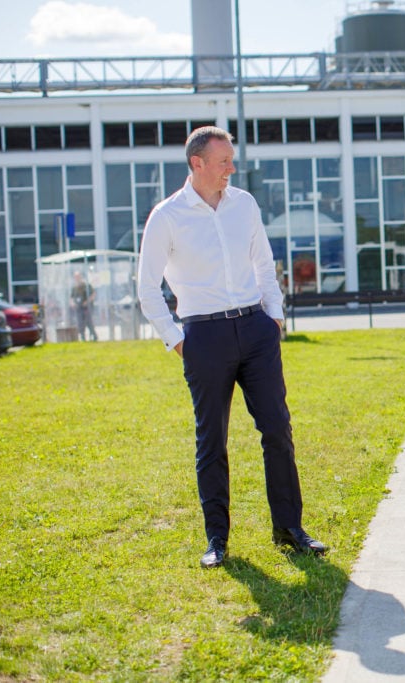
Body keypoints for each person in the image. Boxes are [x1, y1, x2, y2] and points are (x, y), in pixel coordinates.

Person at [137, 126, 326, 569]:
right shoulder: (166, 216)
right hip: (203, 336)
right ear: (197, 164)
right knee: (212, 440)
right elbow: (147, 288)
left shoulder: (244, 204)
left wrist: (274, 316)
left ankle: (290, 529)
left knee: (277, 429)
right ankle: (217, 539)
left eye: (231, 161)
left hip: (255, 329)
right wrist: (178, 339)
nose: (231, 169)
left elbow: (263, 261)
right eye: (223, 162)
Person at [70, 270, 98, 341]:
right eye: (76, 277)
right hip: (79, 308)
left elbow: (93, 294)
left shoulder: (86, 286)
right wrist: (73, 303)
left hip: (86, 308)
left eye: (78, 277)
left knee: (88, 322)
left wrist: (87, 301)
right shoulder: (74, 287)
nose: (77, 278)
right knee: (80, 323)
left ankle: (93, 335)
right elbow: (72, 297)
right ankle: (82, 337)